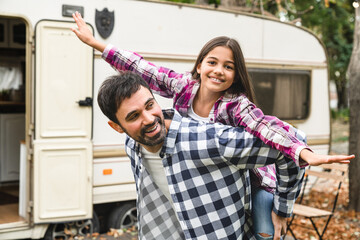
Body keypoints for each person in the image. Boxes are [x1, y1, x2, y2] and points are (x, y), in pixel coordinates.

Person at [71, 11, 355, 240]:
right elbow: (144, 69)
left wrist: (302, 153)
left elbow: (266, 127)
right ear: (199, 66)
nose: (219, 70)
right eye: (212, 62)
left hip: (252, 177)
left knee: (263, 226)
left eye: (229, 67)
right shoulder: (183, 88)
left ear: (236, 74)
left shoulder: (236, 105)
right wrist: (98, 44)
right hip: (196, 175)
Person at [98, 71, 306, 240]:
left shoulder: (208, 140)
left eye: (150, 105)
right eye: (134, 116)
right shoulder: (132, 145)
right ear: (117, 126)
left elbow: (291, 145)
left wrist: (282, 208)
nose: (149, 119)